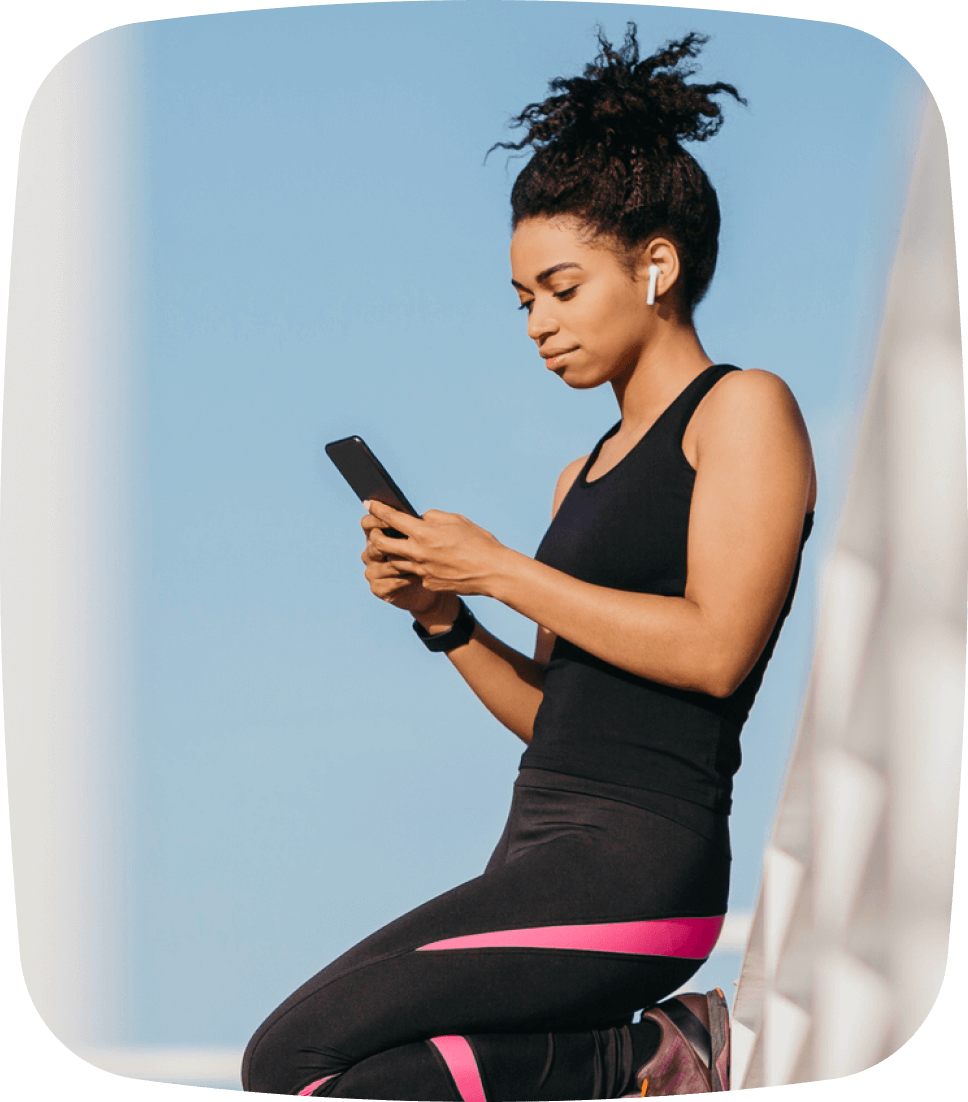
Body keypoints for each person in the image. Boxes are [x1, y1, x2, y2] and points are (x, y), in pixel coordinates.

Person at [242, 25, 816, 1099]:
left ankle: (653, 1056)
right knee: (350, 1074)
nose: (537, 324)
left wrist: (499, 568)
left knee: (289, 1058)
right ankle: (637, 1065)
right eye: (523, 301)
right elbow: (561, 714)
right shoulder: (576, 477)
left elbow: (715, 649)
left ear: (655, 266)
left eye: (560, 287)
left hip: (640, 866)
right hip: (538, 850)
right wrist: (444, 617)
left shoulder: (742, 410)